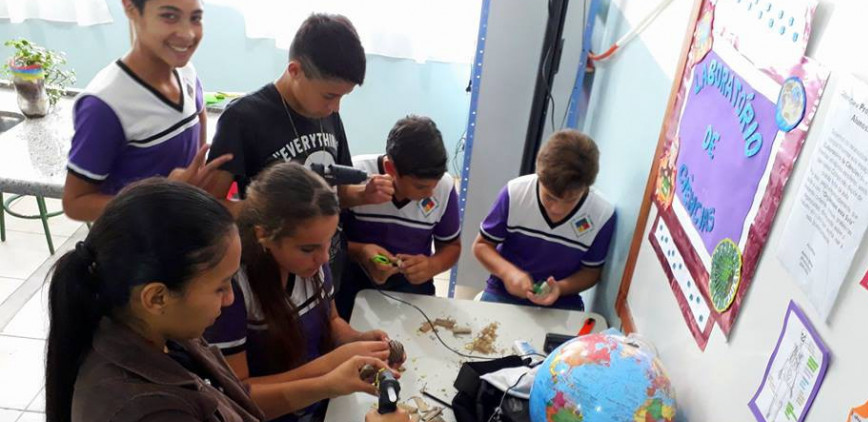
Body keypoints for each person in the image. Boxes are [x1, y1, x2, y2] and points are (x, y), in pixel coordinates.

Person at [45, 180, 413, 422]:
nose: (230, 299)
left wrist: (330, 380)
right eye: (221, 286)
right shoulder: (142, 419)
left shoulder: (163, 333)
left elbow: (232, 403)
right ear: (156, 297)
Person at [204, 162, 394, 422]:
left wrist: (356, 339)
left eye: (329, 242)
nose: (323, 258)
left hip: (326, 404)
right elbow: (238, 397)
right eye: (308, 249)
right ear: (264, 235)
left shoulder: (312, 265)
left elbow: (331, 321)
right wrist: (329, 373)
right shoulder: (233, 291)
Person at [206, 14, 392, 287]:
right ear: (295, 70)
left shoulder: (328, 114)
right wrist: (274, 210)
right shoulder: (243, 119)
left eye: (343, 96)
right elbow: (211, 205)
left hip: (326, 268)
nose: (336, 107)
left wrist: (363, 195)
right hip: (272, 279)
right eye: (330, 95)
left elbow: (335, 195)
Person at [63, 0, 231, 222]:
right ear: (131, 8)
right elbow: (75, 204)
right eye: (169, 16)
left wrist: (197, 174)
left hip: (182, 224)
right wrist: (162, 198)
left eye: (195, 18)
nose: (188, 34)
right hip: (137, 238)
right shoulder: (104, 104)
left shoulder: (186, 72)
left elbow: (199, 116)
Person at [473, 129, 616, 310]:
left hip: (563, 300)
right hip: (503, 292)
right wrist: (508, 273)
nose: (557, 210)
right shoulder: (515, 193)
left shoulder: (602, 214)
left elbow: (591, 272)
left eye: (570, 200)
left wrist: (560, 288)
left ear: (586, 187)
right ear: (539, 176)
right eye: (549, 197)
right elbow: (481, 246)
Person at [336, 115, 462, 320]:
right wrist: (361, 252)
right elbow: (327, 242)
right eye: (420, 186)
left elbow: (451, 247)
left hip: (412, 287)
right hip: (353, 283)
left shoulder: (445, 187)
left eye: (435, 183)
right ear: (390, 169)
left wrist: (432, 266)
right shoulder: (355, 175)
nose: (430, 193)